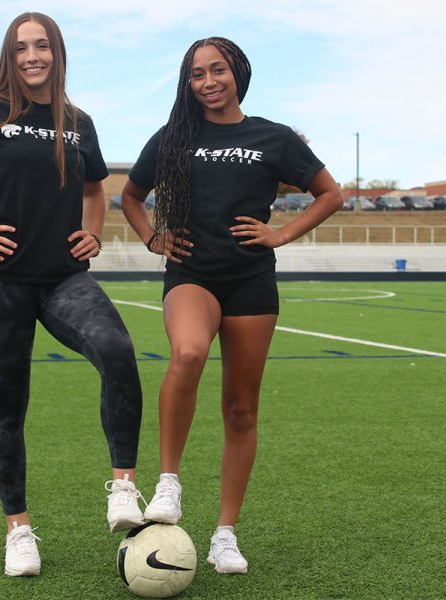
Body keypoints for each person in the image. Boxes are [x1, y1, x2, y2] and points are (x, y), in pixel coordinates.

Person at [0, 12, 145, 577]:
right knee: (7, 406)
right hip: (1, 283)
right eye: (21, 48)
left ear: (57, 53)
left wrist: (94, 231)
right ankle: (19, 531)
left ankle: (122, 487)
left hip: (64, 278)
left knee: (117, 351)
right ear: (9, 57)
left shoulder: (77, 121)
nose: (32, 56)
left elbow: (95, 186)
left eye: (41, 46)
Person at [121, 37, 343, 574]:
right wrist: (155, 239)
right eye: (196, 75)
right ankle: (168, 483)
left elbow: (331, 194)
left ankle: (225, 534)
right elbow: (129, 196)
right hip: (192, 274)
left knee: (241, 409)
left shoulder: (273, 136)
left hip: (251, 283)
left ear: (238, 73)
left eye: (216, 70)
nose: (208, 82)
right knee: (188, 354)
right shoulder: (175, 137)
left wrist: (281, 234)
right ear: (188, 84)